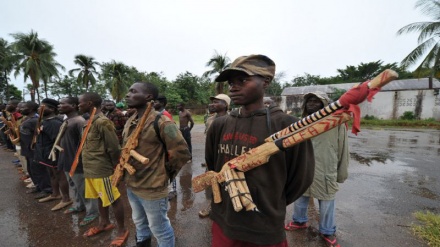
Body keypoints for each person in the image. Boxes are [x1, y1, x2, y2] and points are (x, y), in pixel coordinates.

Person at [205, 54, 315, 246]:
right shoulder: (220, 125)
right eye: (231, 82)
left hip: (264, 226)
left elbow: (301, 177)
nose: (234, 87)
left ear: (266, 81)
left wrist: (271, 201)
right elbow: (213, 165)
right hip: (224, 221)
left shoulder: (287, 126)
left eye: (243, 80)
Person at [123, 82, 191, 247]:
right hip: (132, 184)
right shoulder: (131, 120)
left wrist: (163, 175)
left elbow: (181, 153)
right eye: (128, 91)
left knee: (159, 227)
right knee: (139, 221)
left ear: (148, 97)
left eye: (133, 91)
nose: (127, 94)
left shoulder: (161, 122)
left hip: (153, 188)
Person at [285, 92, 349, 247]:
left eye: (316, 101)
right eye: (309, 101)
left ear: (325, 104)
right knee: (300, 195)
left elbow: (343, 147)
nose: (312, 104)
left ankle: (327, 231)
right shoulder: (300, 123)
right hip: (304, 167)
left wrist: (341, 172)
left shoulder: (335, 123)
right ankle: (299, 221)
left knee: (327, 200)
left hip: (325, 168)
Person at [78, 92, 128, 247]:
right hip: (91, 169)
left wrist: (115, 168)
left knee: (113, 199)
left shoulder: (102, 122)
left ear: (89, 103)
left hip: (103, 169)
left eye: (80, 102)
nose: (78, 105)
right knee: (100, 197)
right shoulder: (89, 121)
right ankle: (104, 223)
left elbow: (113, 147)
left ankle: (122, 231)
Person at [56, 97, 99, 226]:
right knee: (74, 186)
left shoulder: (79, 122)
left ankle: (92, 212)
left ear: (74, 105)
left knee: (84, 188)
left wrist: (81, 161)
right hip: (67, 160)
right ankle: (79, 205)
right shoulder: (67, 120)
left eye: (63, 103)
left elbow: (85, 143)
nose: (59, 105)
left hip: (78, 162)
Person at [34, 98, 72, 211]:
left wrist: (56, 154)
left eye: (42, 107)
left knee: (60, 175)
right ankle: (55, 194)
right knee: (52, 174)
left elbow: (58, 140)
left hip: (54, 154)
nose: (39, 108)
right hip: (46, 154)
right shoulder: (44, 121)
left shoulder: (54, 123)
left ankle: (66, 198)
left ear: (51, 109)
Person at [198, 93, 230, 218]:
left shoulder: (232, 120)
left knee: (226, 183)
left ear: (226, 105)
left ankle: (226, 208)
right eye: (213, 101)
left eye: (217, 102)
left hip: (225, 156)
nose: (213, 104)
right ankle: (213, 206)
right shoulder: (211, 119)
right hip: (212, 155)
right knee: (212, 183)